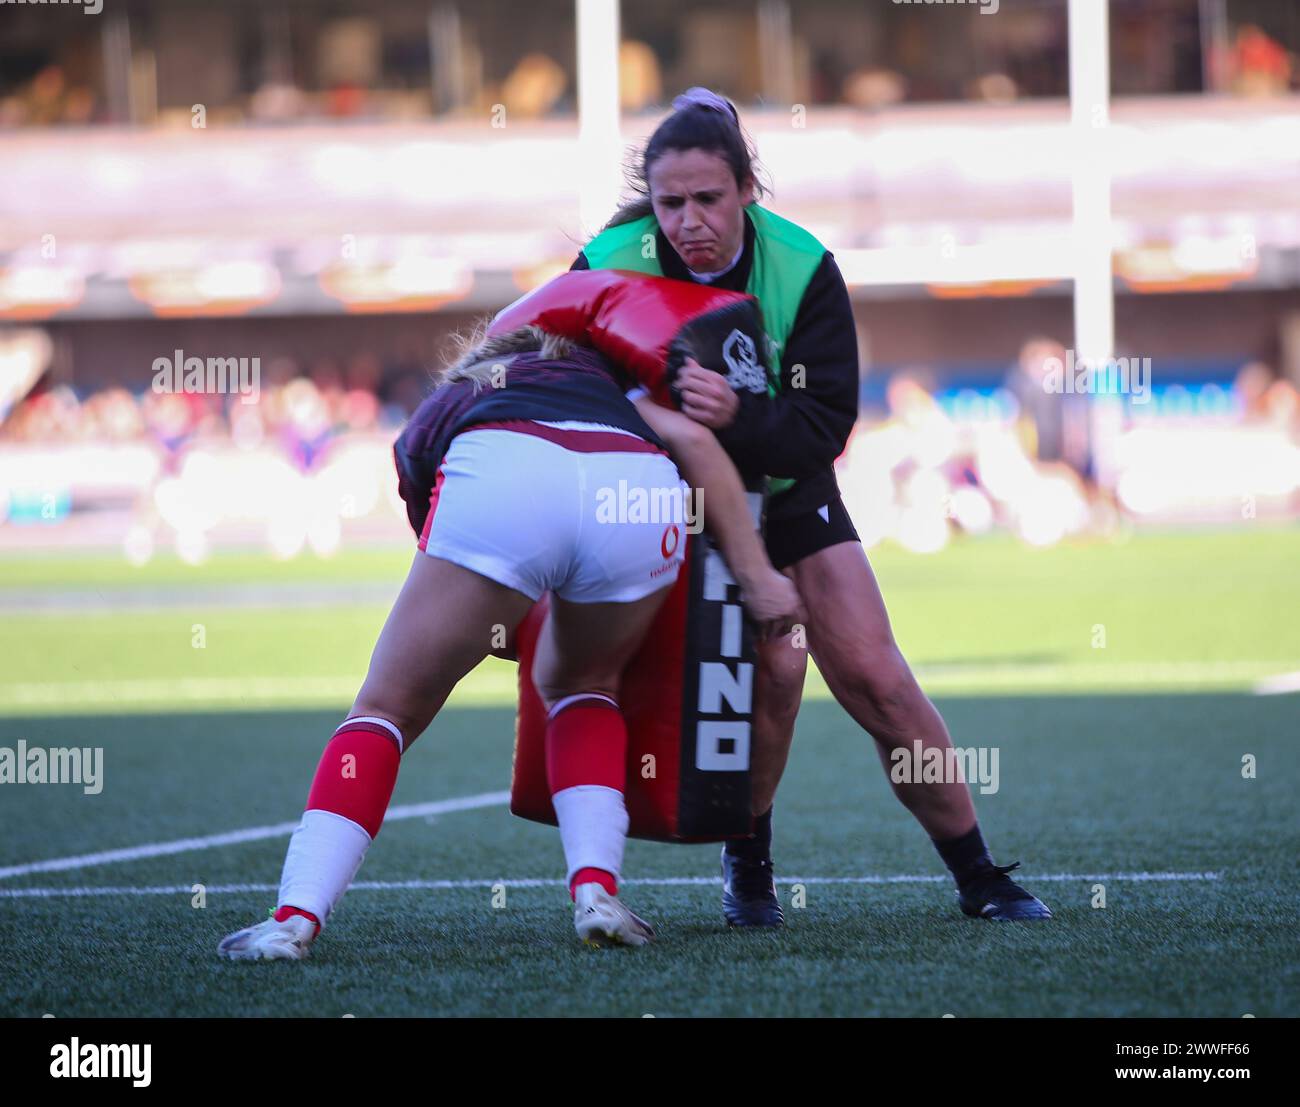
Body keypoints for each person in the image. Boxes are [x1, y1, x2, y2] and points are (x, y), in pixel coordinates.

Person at [572, 87, 1051, 924]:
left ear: (748, 190)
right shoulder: (610, 257)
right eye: (670, 202)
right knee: (750, 667)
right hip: (658, 504)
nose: (687, 221)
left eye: (707, 200)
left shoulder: (803, 265)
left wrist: (737, 416)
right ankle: (745, 868)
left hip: (787, 491)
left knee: (872, 678)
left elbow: (824, 427)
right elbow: (559, 378)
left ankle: (979, 875)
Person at [217, 322, 801, 959]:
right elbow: (693, 440)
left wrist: (487, 604)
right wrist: (755, 572)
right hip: (636, 484)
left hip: (507, 470)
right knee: (583, 684)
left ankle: (294, 918)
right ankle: (597, 892)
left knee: (386, 709)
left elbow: (418, 470)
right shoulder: (620, 385)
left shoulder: (468, 386)